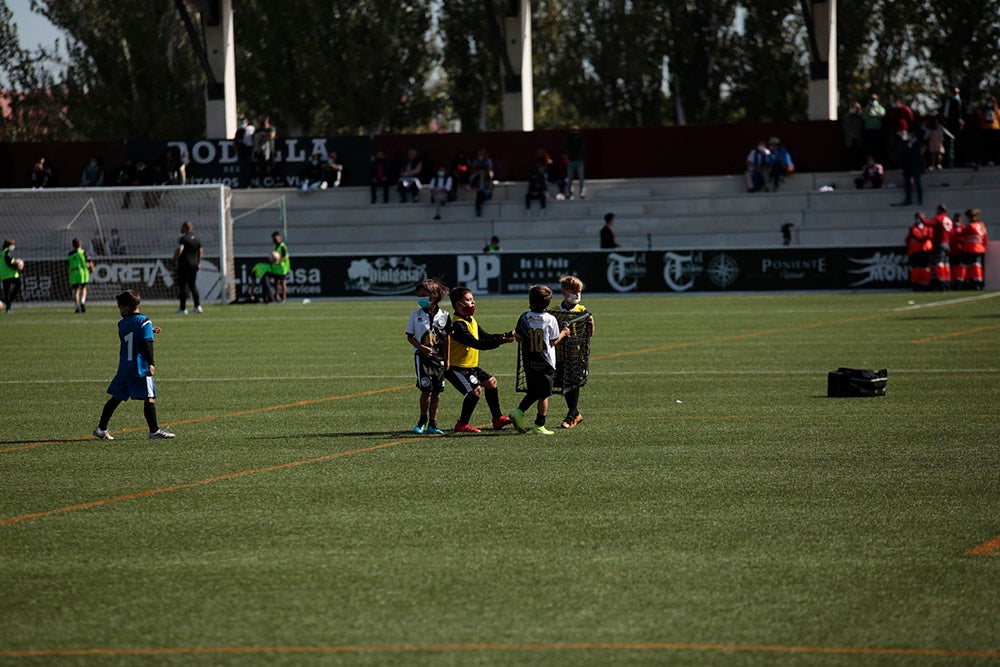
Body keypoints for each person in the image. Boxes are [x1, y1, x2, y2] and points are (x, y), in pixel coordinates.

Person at [92, 289, 175, 441]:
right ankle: (154, 431)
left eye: (119, 308)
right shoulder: (144, 321)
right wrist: (151, 363)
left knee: (116, 398)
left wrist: (149, 329)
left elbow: (131, 336)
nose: (119, 311)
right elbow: (147, 343)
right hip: (140, 366)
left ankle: (101, 428)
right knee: (149, 397)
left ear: (125, 308)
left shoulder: (122, 324)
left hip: (125, 366)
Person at [444, 286, 515, 433]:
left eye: (472, 299)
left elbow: (485, 336)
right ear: (458, 304)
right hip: (456, 368)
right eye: (468, 300)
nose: (473, 302)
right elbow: (477, 344)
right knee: (475, 391)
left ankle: (497, 419)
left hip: (470, 366)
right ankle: (462, 424)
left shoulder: (471, 320)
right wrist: (500, 341)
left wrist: (504, 335)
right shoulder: (457, 324)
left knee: (491, 382)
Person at [507, 285, 571, 436]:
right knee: (544, 395)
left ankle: (518, 412)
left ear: (530, 301)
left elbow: (518, 336)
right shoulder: (550, 319)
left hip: (529, 361)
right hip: (546, 363)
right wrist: (564, 333)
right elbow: (553, 341)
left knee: (534, 391)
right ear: (548, 303)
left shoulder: (524, 317)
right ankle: (539, 425)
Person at [405, 279, 451, 435]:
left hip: (439, 359)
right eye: (419, 296)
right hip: (422, 358)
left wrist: (448, 360)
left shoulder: (445, 315)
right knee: (426, 391)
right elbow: (410, 336)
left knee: (437, 392)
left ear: (434, 295)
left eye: (424, 295)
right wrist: (421, 347)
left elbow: (447, 340)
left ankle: (433, 423)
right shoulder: (415, 315)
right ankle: (422, 420)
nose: (420, 299)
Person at [555, 275, 593, 429]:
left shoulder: (582, 310)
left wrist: (591, 322)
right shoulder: (555, 311)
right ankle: (574, 413)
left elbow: (589, 333)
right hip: (559, 354)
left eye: (579, 291)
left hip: (576, 354)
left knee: (573, 383)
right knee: (563, 384)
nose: (577, 294)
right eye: (574, 291)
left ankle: (572, 415)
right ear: (564, 292)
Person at [173, 221, 203, 314]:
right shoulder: (197, 238)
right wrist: (198, 262)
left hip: (184, 265)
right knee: (192, 285)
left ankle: (183, 308)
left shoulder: (183, 238)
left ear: (185, 227)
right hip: (194, 265)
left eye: (182, 227)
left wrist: (174, 259)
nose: (181, 229)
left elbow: (179, 250)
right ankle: (197, 306)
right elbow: (201, 251)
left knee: (183, 286)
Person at [893, 121, 923, 207]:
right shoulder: (905, 143)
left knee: (917, 183)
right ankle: (908, 199)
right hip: (907, 166)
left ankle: (920, 199)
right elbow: (901, 153)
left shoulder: (917, 143)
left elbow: (917, 154)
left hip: (915, 166)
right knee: (907, 184)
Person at [960, 209, 988, 289]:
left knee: (964, 266)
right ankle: (978, 282)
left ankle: (963, 282)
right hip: (980, 249)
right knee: (977, 266)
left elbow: (962, 234)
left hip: (970, 249)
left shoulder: (971, 226)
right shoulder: (982, 225)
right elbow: (985, 239)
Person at [905, 213, 933, 291]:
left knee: (925, 268)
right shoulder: (913, 228)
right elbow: (916, 236)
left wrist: (924, 237)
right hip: (916, 251)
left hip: (926, 250)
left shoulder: (928, 227)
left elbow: (930, 236)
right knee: (916, 268)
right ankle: (915, 285)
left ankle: (925, 285)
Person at [67, 238, 94, 313]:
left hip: (73, 273)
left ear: (73, 245)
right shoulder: (83, 252)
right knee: (84, 288)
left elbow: (68, 265)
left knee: (76, 290)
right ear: (80, 244)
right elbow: (89, 262)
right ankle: (82, 302)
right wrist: (92, 268)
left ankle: (77, 307)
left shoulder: (70, 254)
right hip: (82, 272)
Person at [941, 86, 965, 167]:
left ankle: (959, 162)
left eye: (957, 93)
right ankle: (948, 163)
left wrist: (963, 121)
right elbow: (945, 114)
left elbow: (964, 114)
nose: (956, 94)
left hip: (959, 126)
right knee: (948, 144)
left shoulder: (961, 102)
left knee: (959, 144)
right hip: (950, 126)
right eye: (955, 93)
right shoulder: (949, 101)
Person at [1, 238, 23, 314]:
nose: (13, 246)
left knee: (8, 291)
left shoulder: (3, 253)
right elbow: (9, 263)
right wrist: (18, 265)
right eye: (12, 245)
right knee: (16, 287)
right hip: (10, 274)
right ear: (9, 245)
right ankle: (9, 306)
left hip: (5, 275)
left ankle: (8, 304)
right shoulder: (7, 253)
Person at [862, 93, 886, 163]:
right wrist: (870, 113)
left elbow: (881, 116)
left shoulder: (880, 108)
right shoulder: (866, 109)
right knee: (869, 148)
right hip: (868, 131)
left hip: (877, 131)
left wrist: (875, 113)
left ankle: (878, 163)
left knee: (878, 148)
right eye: (872, 99)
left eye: (874, 99)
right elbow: (864, 117)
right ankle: (869, 163)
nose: (873, 101)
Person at [253, 115, 277, 185]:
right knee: (261, 168)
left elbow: (271, 136)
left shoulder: (271, 128)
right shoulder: (259, 129)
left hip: (270, 151)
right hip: (261, 151)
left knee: (272, 167)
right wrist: (261, 135)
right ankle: (261, 183)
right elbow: (255, 137)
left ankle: (274, 182)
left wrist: (263, 136)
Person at [470, 149, 494, 217]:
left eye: (481, 153)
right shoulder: (476, 161)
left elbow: (490, 188)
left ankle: (479, 209)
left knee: (481, 195)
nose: (480, 155)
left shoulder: (488, 180)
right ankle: (478, 210)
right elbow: (474, 169)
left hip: (487, 193)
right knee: (479, 195)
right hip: (480, 187)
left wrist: (484, 173)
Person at [234, 115, 256, 188]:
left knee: (248, 168)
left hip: (248, 152)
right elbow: (235, 142)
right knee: (241, 169)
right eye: (241, 121)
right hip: (241, 152)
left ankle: (248, 183)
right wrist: (237, 151)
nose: (242, 123)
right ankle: (241, 183)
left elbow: (253, 140)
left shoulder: (250, 130)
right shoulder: (239, 131)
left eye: (243, 121)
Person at [842, 101, 865, 168]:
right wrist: (851, 133)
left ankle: (859, 166)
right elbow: (845, 127)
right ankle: (851, 166)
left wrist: (855, 132)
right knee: (850, 153)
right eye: (852, 107)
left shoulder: (860, 117)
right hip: (849, 138)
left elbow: (860, 126)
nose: (852, 109)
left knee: (858, 153)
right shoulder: (846, 117)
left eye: (854, 107)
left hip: (858, 138)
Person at [269, 231, 290, 302]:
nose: (274, 240)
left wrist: (278, 261)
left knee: (282, 282)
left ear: (279, 237)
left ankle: (284, 297)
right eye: (273, 239)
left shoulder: (282, 246)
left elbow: (285, 256)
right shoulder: (275, 246)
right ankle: (277, 297)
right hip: (276, 267)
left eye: (275, 238)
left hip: (282, 267)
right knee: (276, 282)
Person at [566, 125, 585, 199]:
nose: (574, 132)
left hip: (579, 160)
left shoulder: (580, 139)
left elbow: (582, 148)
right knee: (570, 177)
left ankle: (582, 191)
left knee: (581, 176)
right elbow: (567, 148)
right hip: (571, 160)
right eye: (573, 130)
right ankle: (569, 192)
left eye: (575, 130)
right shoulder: (569, 139)